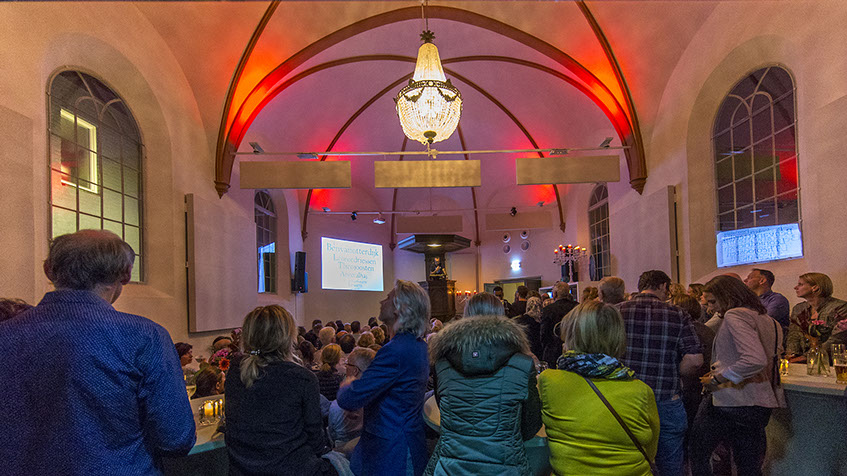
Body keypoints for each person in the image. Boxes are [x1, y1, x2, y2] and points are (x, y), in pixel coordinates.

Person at [0, 230, 195, 474]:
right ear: (126, 273)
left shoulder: (6, 334)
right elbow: (176, 438)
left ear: (48, 270)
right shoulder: (144, 337)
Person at [539, 301, 659, 475]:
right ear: (617, 337)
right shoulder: (642, 391)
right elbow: (651, 451)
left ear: (571, 336)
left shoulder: (548, 381)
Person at [225, 305, 338, 475]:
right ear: (288, 337)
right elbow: (315, 440)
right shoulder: (302, 378)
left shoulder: (235, 369)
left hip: (241, 470)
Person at [689, 276, 785, 476]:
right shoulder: (769, 320)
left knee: (698, 453)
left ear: (728, 296)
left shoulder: (735, 315)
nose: (711, 309)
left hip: (730, 397)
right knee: (748, 464)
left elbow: (754, 359)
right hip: (759, 400)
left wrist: (718, 377)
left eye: (713, 302)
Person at [425, 313, 542, 475]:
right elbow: (531, 427)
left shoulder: (442, 366)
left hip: (450, 468)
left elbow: (445, 417)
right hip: (506, 468)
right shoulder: (523, 364)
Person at [337, 280, 430, 476]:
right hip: (405, 442)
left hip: (392, 453)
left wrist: (348, 383)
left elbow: (349, 398)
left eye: (388, 298)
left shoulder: (395, 351)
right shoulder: (418, 345)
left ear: (400, 307)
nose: (381, 301)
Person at [617, 270, 703, 476]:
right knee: (670, 465)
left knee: (627, 462)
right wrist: (674, 372)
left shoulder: (617, 312)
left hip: (624, 398)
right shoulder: (677, 314)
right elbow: (695, 360)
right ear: (664, 286)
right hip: (665, 397)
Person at [785, 272, 847, 359]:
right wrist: (792, 354)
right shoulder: (799, 308)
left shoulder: (840, 307)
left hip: (832, 360)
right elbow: (794, 334)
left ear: (815, 287)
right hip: (802, 360)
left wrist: (807, 357)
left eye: (800, 284)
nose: (795, 287)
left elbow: (838, 338)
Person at [329, 347, 377, 452]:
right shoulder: (379, 400)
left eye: (347, 364)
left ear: (355, 370)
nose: (345, 367)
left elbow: (332, 434)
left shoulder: (338, 406)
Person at [540, 281, 578, 368]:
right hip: (574, 349)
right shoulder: (577, 307)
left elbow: (544, 333)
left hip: (553, 351)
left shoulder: (548, 310)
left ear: (555, 294)